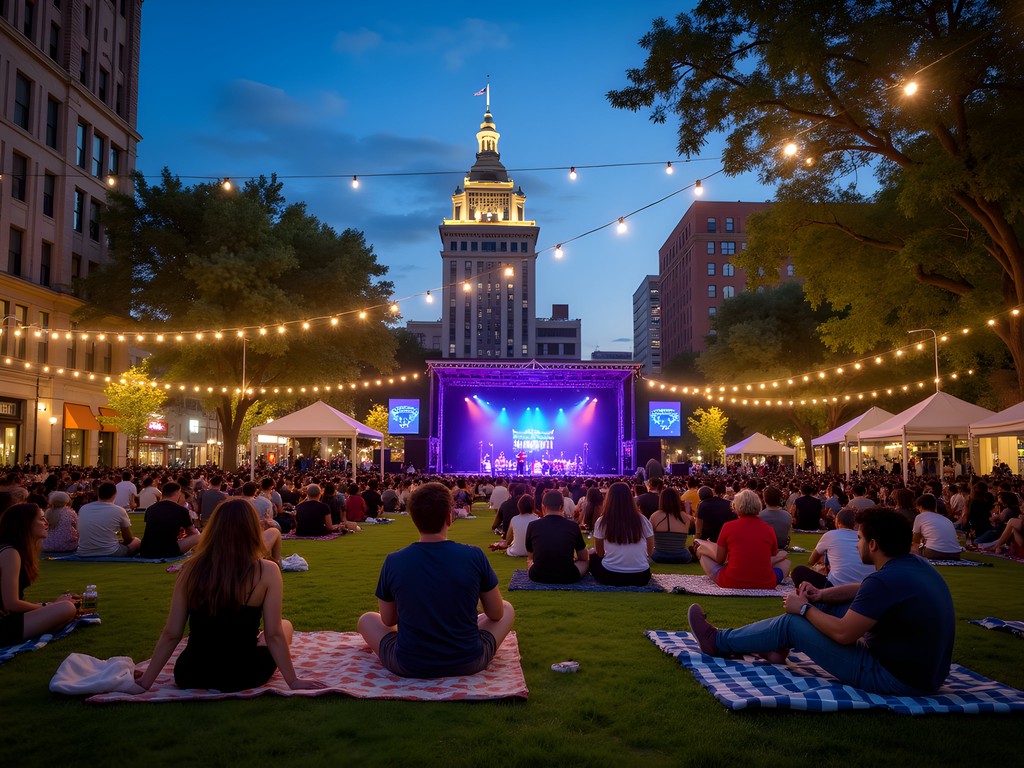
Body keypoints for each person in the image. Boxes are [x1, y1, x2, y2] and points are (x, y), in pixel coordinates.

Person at [687, 507, 956, 695]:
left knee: (792, 624)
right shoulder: (914, 565)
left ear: (873, 545)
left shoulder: (885, 580)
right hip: (924, 674)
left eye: (860, 539)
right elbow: (862, 589)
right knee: (824, 606)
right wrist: (821, 595)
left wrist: (803, 608)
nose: (856, 544)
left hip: (893, 678)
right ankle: (774, 648)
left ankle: (718, 642)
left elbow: (843, 634)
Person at [133, 498, 324, 693]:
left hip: (192, 672)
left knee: (273, 630)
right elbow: (273, 634)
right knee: (284, 626)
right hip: (244, 673)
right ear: (252, 528)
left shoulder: (190, 570)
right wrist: (293, 681)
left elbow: (171, 633)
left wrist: (147, 680)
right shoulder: (266, 571)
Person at [357, 482, 515, 678]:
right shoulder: (473, 556)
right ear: (449, 517)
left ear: (413, 519)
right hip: (468, 660)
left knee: (367, 620)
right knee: (507, 608)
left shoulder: (394, 561)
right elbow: (496, 613)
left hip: (409, 663)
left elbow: (389, 620)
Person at [0, 503, 79, 645]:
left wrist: (49, 605)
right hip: (5, 622)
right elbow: (11, 604)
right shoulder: (10, 553)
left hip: (9, 616)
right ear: (26, 523)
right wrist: (49, 605)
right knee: (67, 608)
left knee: (65, 611)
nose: (46, 522)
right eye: (41, 519)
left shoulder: (13, 550)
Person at [695, 489, 791, 589]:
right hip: (766, 583)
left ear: (736, 506)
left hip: (731, 581)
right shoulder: (769, 529)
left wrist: (702, 549)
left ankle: (702, 550)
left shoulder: (728, 526)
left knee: (704, 556)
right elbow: (771, 556)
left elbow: (719, 560)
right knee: (786, 563)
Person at [791, 508, 875, 590]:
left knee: (798, 572)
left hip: (835, 587)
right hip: (864, 586)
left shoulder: (831, 535)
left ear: (837, 522)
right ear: (855, 523)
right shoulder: (865, 537)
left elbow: (811, 561)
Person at [589, 482, 655, 586]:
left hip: (611, 576)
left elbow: (600, 553)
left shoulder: (602, 521)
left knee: (592, 556)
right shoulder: (642, 520)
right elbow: (650, 552)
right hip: (641, 576)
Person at [526, 490, 590, 583]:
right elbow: (583, 557)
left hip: (537, 575)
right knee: (586, 562)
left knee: (530, 562)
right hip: (568, 575)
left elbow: (531, 556)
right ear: (562, 507)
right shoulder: (573, 525)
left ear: (543, 506)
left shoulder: (532, 525)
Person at [76, 482, 141, 557]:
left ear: (98, 494)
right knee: (137, 541)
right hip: (109, 552)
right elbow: (128, 538)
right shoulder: (119, 510)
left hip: (84, 551)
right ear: (115, 494)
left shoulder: (84, 508)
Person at [140, 482, 201, 558]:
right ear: (176, 493)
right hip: (168, 550)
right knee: (198, 537)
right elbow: (192, 533)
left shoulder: (150, 509)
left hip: (146, 550)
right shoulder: (181, 510)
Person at [649, 486, 692, 564]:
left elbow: (648, 537)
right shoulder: (685, 517)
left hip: (658, 556)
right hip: (681, 557)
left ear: (661, 500)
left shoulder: (655, 516)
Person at [912, 494, 961, 560]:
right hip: (955, 554)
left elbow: (915, 540)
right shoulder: (946, 519)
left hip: (934, 552)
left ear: (920, 506)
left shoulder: (920, 517)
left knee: (911, 547)